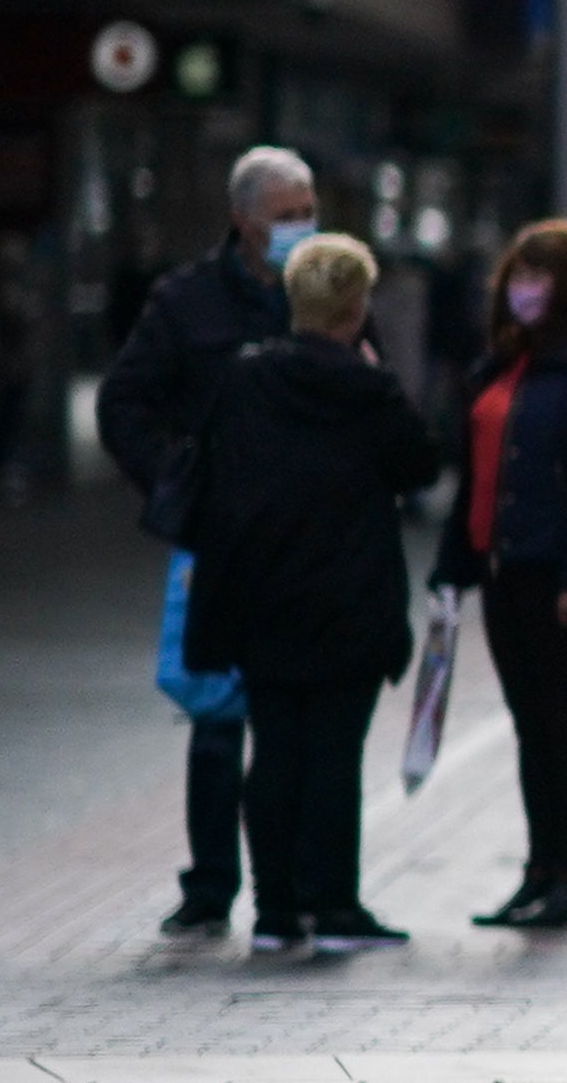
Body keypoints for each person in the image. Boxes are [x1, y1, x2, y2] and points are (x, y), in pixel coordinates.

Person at [178, 233, 438, 952]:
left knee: (275, 752)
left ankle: (274, 910)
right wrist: (380, 374)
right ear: (355, 308)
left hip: (263, 595)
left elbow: (214, 472)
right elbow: (419, 461)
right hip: (347, 597)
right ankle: (334, 904)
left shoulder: (246, 379)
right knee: (333, 756)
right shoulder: (368, 388)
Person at [95, 144, 318, 936]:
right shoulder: (187, 302)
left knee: (289, 725)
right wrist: (177, 486)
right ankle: (210, 883)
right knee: (217, 720)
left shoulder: (323, 294)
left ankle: (284, 892)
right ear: (242, 219)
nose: (300, 229)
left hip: (300, 544)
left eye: (307, 212)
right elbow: (123, 402)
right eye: (284, 215)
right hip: (220, 541)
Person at [432, 219, 567, 932]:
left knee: (561, 720)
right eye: (517, 276)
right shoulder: (500, 363)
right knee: (529, 724)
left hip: (557, 574)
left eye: (539, 277)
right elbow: (476, 477)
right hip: (501, 568)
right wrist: (452, 565)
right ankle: (538, 870)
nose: (524, 291)